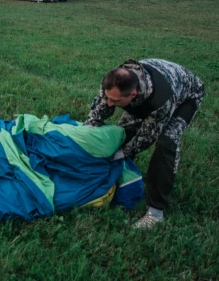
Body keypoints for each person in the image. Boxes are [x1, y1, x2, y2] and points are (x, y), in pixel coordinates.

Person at [85, 59, 205, 229]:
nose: (110, 102)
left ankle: (156, 213)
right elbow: (100, 111)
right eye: (108, 97)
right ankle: (119, 179)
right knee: (121, 135)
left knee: (166, 142)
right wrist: (86, 134)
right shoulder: (113, 81)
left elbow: (145, 138)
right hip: (149, 87)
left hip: (186, 96)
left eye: (115, 100)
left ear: (132, 95)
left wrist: (120, 154)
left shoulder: (161, 100)